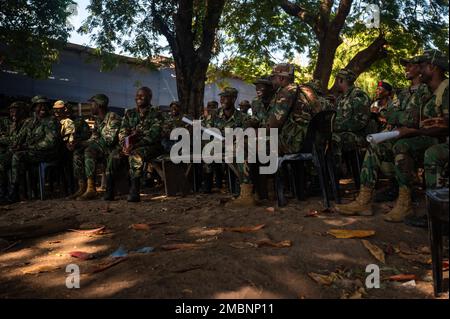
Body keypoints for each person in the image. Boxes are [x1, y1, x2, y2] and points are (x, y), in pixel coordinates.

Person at [107, 87, 163, 202]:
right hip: (130, 146)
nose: (139, 97)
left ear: (150, 97)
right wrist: (124, 144)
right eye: (137, 95)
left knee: (135, 155)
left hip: (151, 146)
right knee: (114, 155)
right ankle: (110, 190)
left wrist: (136, 145)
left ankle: (134, 191)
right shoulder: (130, 113)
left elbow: (154, 134)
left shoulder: (156, 113)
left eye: (142, 95)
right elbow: (123, 130)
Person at [7, 96, 61, 203]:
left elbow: (50, 142)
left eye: (44, 105)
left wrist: (27, 147)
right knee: (6, 158)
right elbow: (18, 138)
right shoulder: (30, 122)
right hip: (32, 152)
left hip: (48, 153)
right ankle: (14, 192)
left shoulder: (51, 121)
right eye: (39, 105)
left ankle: (14, 193)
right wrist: (15, 145)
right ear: (33, 108)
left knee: (18, 157)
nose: (42, 107)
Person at [77, 94, 121, 200]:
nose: (90, 106)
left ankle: (91, 189)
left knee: (89, 150)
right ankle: (83, 186)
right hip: (103, 149)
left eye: (92, 103)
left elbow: (109, 140)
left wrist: (90, 144)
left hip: (114, 150)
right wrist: (79, 143)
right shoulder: (98, 120)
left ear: (99, 105)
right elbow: (94, 138)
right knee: (77, 151)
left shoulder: (113, 117)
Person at [332, 68, 371, 166]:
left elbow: (359, 123)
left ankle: (335, 174)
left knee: (333, 139)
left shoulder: (358, 96)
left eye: (336, 81)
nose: (335, 84)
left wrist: (333, 126)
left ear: (341, 80)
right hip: (345, 134)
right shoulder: (341, 98)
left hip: (359, 136)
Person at [53, 100, 91, 198]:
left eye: (68, 110)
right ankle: (65, 190)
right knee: (61, 160)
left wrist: (76, 140)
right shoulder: (56, 122)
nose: (66, 112)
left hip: (76, 147)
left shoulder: (79, 121)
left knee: (72, 159)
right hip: (62, 149)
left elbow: (87, 134)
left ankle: (76, 188)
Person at [0, 101, 32, 202]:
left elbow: (15, 140)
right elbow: (11, 140)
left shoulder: (28, 122)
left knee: (16, 159)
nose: (12, 114)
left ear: (22, 111)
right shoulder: (14, 124)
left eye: (15, 111)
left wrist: (3, 138)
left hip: (27, 151)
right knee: (1, 161)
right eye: (11, 112)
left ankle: (14, 193)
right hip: (15, 150)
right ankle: (3, 193)